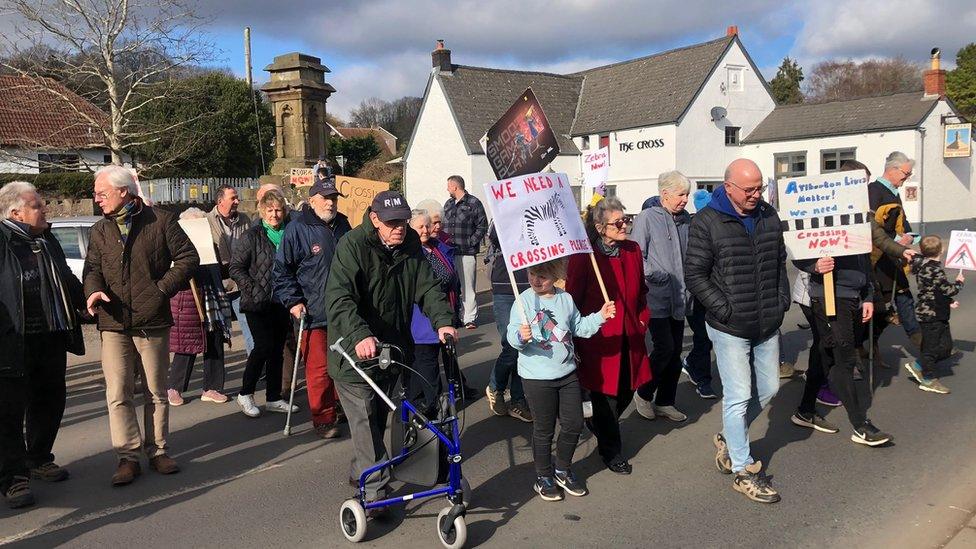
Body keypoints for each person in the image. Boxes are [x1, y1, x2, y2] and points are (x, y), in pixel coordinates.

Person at [325, 191, 457, 510]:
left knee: (377, 422)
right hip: (353, 356)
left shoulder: (410, 244)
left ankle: (363, 471)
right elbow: (339, 298)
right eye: (392, 222)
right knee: (365, 421)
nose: (399, 227)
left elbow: (426, 287)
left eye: (402, 220)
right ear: (374, 219)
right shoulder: (352, 246)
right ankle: (375, 492)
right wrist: (360, 334)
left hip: (391, 352)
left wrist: (443, 321)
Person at [84, 165, 198, 486]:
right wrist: (93, 290)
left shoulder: (161, 221)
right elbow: (92, 267)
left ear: (124, 192)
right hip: (113, 321)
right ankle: (127, 457)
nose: (97, 199)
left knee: (155, 392)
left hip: (153, 321)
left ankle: (158, 450)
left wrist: (161, 290)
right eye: (96, 194)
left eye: (102, 193)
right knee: (118, 392)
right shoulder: (100, 230)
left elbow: (188, 258)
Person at [684, 159, 788, 504]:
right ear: (728, 187)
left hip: (767, 321)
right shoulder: (706, 222)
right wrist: (723, 308)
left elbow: (778, 261)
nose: (756, 195)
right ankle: (743, 470)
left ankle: (731, 438)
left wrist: (782, 300)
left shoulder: (768, 215)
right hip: (729, 326)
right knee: (739, 394)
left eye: (760, 187)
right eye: (749, 189)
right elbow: (695, 275)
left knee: (770, 386)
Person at [0, 181, 86, 509]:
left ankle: (38, 458)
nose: (45, 209)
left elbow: (64, 276)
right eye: (37, 205)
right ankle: (12, 477)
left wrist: (86, 298)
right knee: (9, 412)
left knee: (50, 401)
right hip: (11, 341)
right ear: (15, 212)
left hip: (50, 335)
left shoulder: (45, 239)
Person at [508, 258, 614, 501]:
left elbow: (579, 327)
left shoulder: (565, 299)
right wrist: (519, 336)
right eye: (533, 274)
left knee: (574, 423)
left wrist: (600, 316)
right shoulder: (523, 300)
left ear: (555, 276)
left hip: (566, 373)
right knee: (544, 430)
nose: (536, 279)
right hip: (536, 377)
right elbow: (512, 338)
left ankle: (562, 469)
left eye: (543, 275)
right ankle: (543, 476)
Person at [566, 197, 652, 475]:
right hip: (599, 338)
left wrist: (642, 320)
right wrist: (576, 333)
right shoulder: (585, 257)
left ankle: (600, 425)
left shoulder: (632, 250)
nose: (625, 225)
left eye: (626, 219)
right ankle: (611, 451)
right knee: (607, 397)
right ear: (601, 227)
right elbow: (573, 299)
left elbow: (641, 291)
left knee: (628, 388)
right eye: (618, 222)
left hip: (631, 334)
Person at [274, 179, 351, 438]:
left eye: (334, 198)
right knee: (318, 370)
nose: (331, 202)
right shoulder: (297, 229)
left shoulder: (343, 224)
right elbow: (282, 271)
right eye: (326, 197)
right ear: (313, 200)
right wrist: (294, 302)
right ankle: (323, 419)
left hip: (344, 311)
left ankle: (342, 408)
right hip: (313, 312)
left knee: (345, 365)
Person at [793, 249, 890, 446]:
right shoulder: (822, 220)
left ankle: (805, 410)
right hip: (829, 297)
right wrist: (814, 266)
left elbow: (863, 259)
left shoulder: (859, 223)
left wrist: (869, 296)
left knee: (824, 353)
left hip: (854, 297)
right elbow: (797, 248)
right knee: (844, 359)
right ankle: (860, 425)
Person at [630, 171, 692, 422]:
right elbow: (636, 256)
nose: (685, 199)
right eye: (681, 194)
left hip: (681, 296)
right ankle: (643, 393)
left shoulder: (686, 219)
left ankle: (666, 401)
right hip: (655, 297)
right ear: (665, 194)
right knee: (664, 348)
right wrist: (655, 274)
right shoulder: (647, 217)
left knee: (675, 351)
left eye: (687, 194)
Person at [232, 190, 299, 417]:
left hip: (282, 301)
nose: (274, 214)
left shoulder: (289, 233)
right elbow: (236, 267)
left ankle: (273, 397)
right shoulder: (252, 236)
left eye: (278, 210)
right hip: (257, 302)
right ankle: (245, 393)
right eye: (269, 210)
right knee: (262, 347)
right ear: (262, 212)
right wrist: (252, 288)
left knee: (278, 350)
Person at [167, 208, 232, 406]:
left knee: (214, 341)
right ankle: (174, 387)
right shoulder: (175, 248)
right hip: (187, 300)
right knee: (187, 344)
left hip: (211, 299)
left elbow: (220, 269)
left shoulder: (209, 245)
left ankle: (212, 387)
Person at [405, 210, 461, 414]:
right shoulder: (411, 253)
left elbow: (452, 278)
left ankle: (428, 407)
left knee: (433, 364)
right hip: (420, 321)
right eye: (420, 226)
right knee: (426, 367)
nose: (426, 230)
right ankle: (432, 409)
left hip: (442, 314)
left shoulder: (436, 248)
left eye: (427, 225)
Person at [868, 152, 921, 349]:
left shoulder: (893, 193)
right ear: (892, 169)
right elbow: (873, 230)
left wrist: (911, 236)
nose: (906, 179)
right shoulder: (874, 191)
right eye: (906, 174)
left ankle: (920, 341)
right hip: (879, 258)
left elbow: (901, 223)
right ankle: (860, 344)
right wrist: (899, 240)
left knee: (902, 296)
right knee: (881, 305)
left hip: (894, 256)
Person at [484, 224, 533, 422]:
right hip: (505, 288)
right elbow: (496, 233)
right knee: (512, 345)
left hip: (531, 286)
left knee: (525, 346)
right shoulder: (504, 210)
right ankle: (496, 385)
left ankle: (518, 400)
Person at [905, 236, 964, 394]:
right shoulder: (934, 269)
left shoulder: (926, 266)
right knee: (931, 349)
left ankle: (918, 365)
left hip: (938, 311)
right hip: (931, 315)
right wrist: (959, 282)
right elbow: (947, 289)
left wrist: (949, 301)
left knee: (946, 347)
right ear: (941, 250)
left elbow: (933, 290)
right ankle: (928, 379)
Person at [207, 185, 253, 355]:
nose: (237, 201)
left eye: (237, 198)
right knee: (215, 330)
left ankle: (255, 367)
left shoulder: (245, 220)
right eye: (233, 198)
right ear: (220, 201)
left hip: (239, 283)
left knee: (248, 325)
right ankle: (213, 376)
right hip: (216, 284)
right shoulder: (206, 220)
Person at [682, 189, 717, 399]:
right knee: (703, 336)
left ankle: (692, 363)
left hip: (714, 290)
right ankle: (703, 380)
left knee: (709, 337)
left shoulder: (719, 225)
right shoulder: (691, 228)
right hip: (694, 292)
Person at [442, 175, 488, 329]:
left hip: (466, 252)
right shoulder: (448, 204)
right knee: (451, 286)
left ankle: (469, 318)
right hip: (449, 252)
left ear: (455, 187)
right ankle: (453, 316)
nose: (447, 189)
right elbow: (442, 225)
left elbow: (482, 225)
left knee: (468, 286)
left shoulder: (473, 203)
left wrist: (471, 242)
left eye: (448, 186)